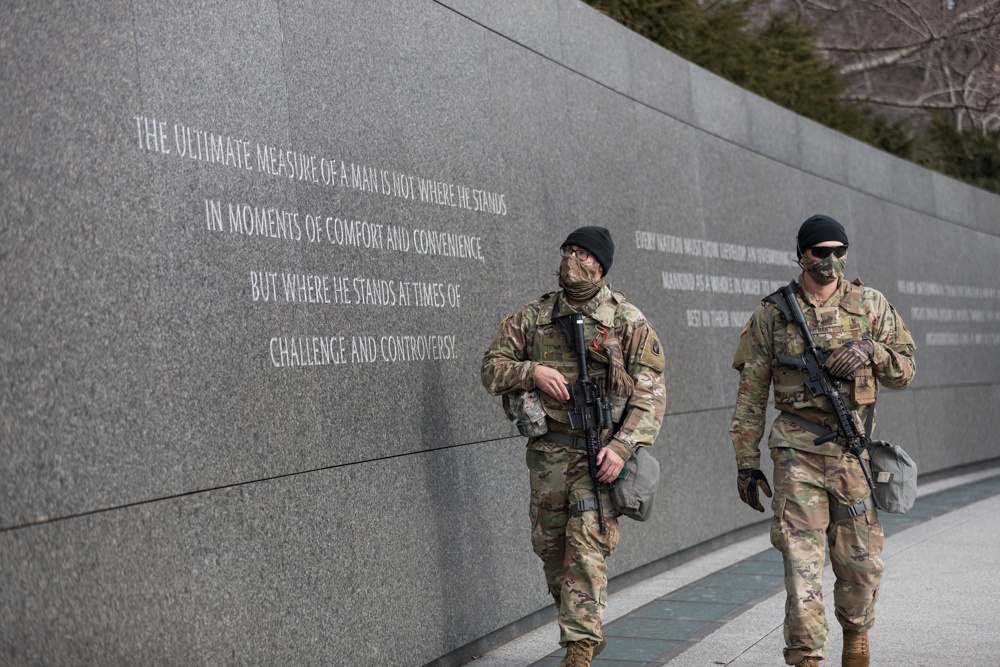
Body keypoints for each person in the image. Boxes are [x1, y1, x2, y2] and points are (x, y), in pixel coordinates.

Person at [730, 214, 916, 667]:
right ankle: (807, 657)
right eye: (820, 252)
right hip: (797, 452)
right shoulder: (773, 313)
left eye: (838, 251)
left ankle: (856, 636)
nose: (830, 261)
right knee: (801, 567)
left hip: (852, 454)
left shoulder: (870, 305)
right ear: (801, 255)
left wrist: (872, 350)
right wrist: (746, 460)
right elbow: (752, 395)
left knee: (861, 563)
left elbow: (906, 371)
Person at [481, 226, 666, 667]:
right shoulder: (532, 317)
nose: (572, 258)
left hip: (597, 453)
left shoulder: (627, 321)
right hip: (548, 455)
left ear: (600, 266)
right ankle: (582, 623)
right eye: (568, 249)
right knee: (552, 551)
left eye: (583, 253)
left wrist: (621, 447)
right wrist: (532, 372)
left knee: (586, 544)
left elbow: (651, 394)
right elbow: (491, 369)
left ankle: (579, 650)